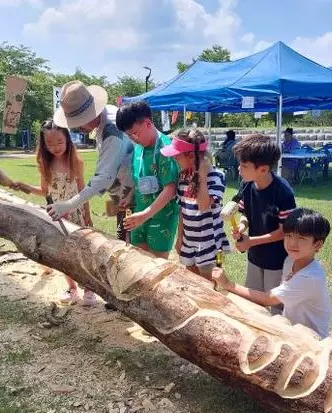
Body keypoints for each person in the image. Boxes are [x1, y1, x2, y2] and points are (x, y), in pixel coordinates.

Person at [212, 208, 332, 338]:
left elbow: (267, 299)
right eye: (289, 235)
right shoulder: (290, 261)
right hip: (292, 330)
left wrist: (228, 284)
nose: (292, 243)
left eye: (301, 238)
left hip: (313, 340)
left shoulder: (311, 277)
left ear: (318, 245)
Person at [11, 119, 92, 305]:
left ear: (68, 140)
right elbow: (44, 192)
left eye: (60, 142)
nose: (55, 147)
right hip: (56, 217)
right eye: (50, 144)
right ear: (43, 144)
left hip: (76, 215)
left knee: (82, 252)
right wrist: (25, 187)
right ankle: (72, 288)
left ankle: (89, 288)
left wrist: (88, 216)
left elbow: (83, 192)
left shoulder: (76, 162)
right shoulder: (45, 164)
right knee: (62, 254)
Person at [46, 81, 135, 244]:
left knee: (134, 246)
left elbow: (103, 178)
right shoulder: (105, 115)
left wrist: (68, 205)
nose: (77, 127)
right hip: (124, 192)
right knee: (123, 238)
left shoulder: (112, 131)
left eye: (78, 122)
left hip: (136, 194)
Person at [232, 134, 297, 314]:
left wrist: (250, 241)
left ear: (263, 169)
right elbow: (245, 214)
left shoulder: (283, 193)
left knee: (275, 308)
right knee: (251, 304)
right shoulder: (247, 185)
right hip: (255, 257)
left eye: (244, 166)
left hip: (276, 262)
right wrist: (242, 227)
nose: (239, 169)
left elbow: (283, 232)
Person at [161, 128, 230, 279]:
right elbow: (182, 210)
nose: (174, 159)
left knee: (212, 284)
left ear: (191, 156)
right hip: (190, 242)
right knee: (193, 281)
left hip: (211, 246)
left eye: (177, 156)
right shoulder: (184, 177)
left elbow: (204, 205)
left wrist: (202, 176)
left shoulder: (216, 177)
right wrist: (180, 238)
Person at [116, 101, 180, 259]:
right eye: (129, 136)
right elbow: (139, 178)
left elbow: (170, 189)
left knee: (157, 265)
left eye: (135, 133)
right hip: (139, 215)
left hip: (161, 217)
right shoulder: (138, 148)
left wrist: (145, 214)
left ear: (148, 123)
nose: (134, 139)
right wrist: (130, 198)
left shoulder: (166, 148)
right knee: (140, 260)